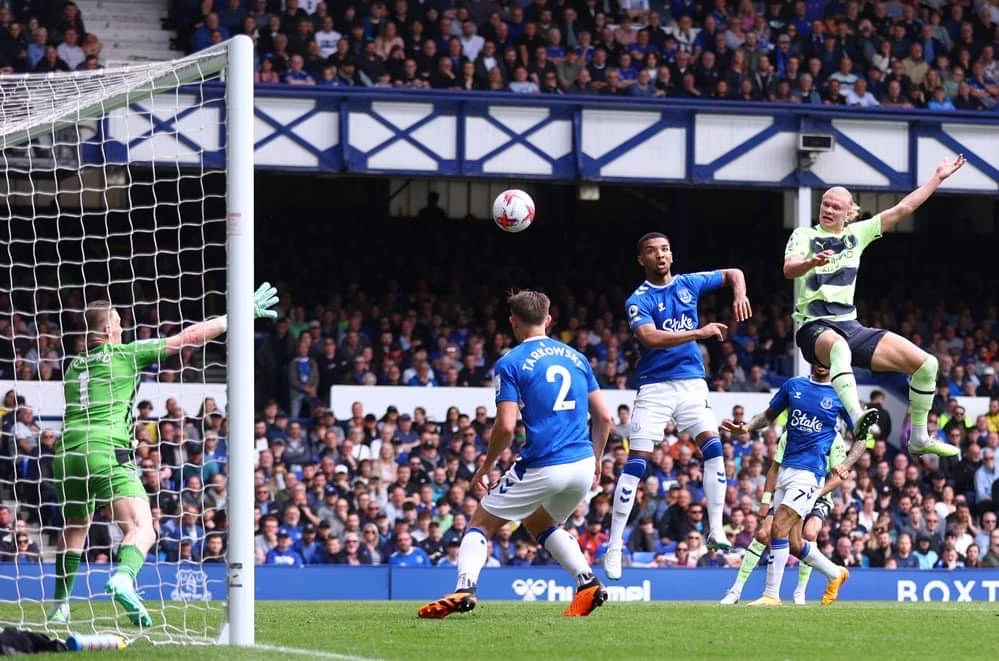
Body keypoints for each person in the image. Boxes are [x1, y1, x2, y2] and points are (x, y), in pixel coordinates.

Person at [47, 284, 278, 625]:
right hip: (105, 449)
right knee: (144, 529)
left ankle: (61, 606)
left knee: (76, 527)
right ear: (108, 329)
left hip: (66, 454)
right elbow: (187, 339)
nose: (123, 327)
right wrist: (237, 315)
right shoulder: (125, 354)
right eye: (118, 321)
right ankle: (124, 576)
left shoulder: (73, 366)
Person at [418, 290, 613, 619]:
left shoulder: (510, 362)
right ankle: (587, 583)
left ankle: (465, 589)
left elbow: (506, 426)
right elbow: (605, 418)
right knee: (540, 522)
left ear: (512, 322)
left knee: (480, 523)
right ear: (549, 320)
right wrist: (596, 460)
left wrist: (485, 467)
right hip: (582, 464)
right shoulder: (578, 358)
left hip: (544, 464)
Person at [783, 155, 966, 458]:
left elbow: (904, 208)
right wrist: (809, 262)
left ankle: (919, 437)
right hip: (813, 326)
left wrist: (939, 177)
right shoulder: (805, 235)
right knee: (839, 348)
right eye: (825, 204)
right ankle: (856, 416)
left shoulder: (857, 234)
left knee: (927, 365)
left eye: (835, 207)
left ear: (848, 213)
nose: (828, 210)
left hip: (850, 325)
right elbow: (789, 269)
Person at [604, 232, 751, 581]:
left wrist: (739, 293)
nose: (661, 256)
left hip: (690, 383)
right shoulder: (637, 300)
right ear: (641, 259)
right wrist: (698, 334)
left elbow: (734, 273)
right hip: (654, 387)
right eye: (653, 251)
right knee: (637, 463)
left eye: (666, 249)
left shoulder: (688, 283)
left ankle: (716, 530)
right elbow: (650, 337)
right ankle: (613, 547)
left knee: (714, 447)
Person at [720, 366, 875, 605]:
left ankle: (771, 595)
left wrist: (847, 462)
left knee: (777, 528)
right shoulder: (794, 385)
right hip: (786, 472)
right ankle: (836, 573)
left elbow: (862, 437)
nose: (821, 360)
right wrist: (748, 427)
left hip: (810, 474)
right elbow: (768, 415)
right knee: (794, 543)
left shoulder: (840, 395)